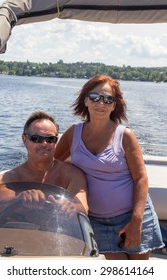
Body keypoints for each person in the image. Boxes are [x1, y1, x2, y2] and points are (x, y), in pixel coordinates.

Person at [54, 74, 164, 260]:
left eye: (108, 99)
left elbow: (141, 179)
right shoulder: (73, 134)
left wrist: (136, 221)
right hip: (98, 220)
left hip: (134, 216)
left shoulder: (125, 136)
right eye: (95, 97)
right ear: (86, 101)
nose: (101, 103)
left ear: (114, 105)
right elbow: (54, 164)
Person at [0, 111, 88, 214]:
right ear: (24, 139)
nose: (44, 144)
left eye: (50, 139)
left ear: (56, 141)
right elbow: (3, 202)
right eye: (37, 139)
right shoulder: (7, 179)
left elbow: (83, 207)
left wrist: (72, 207)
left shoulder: (73, 175)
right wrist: (20, 198)